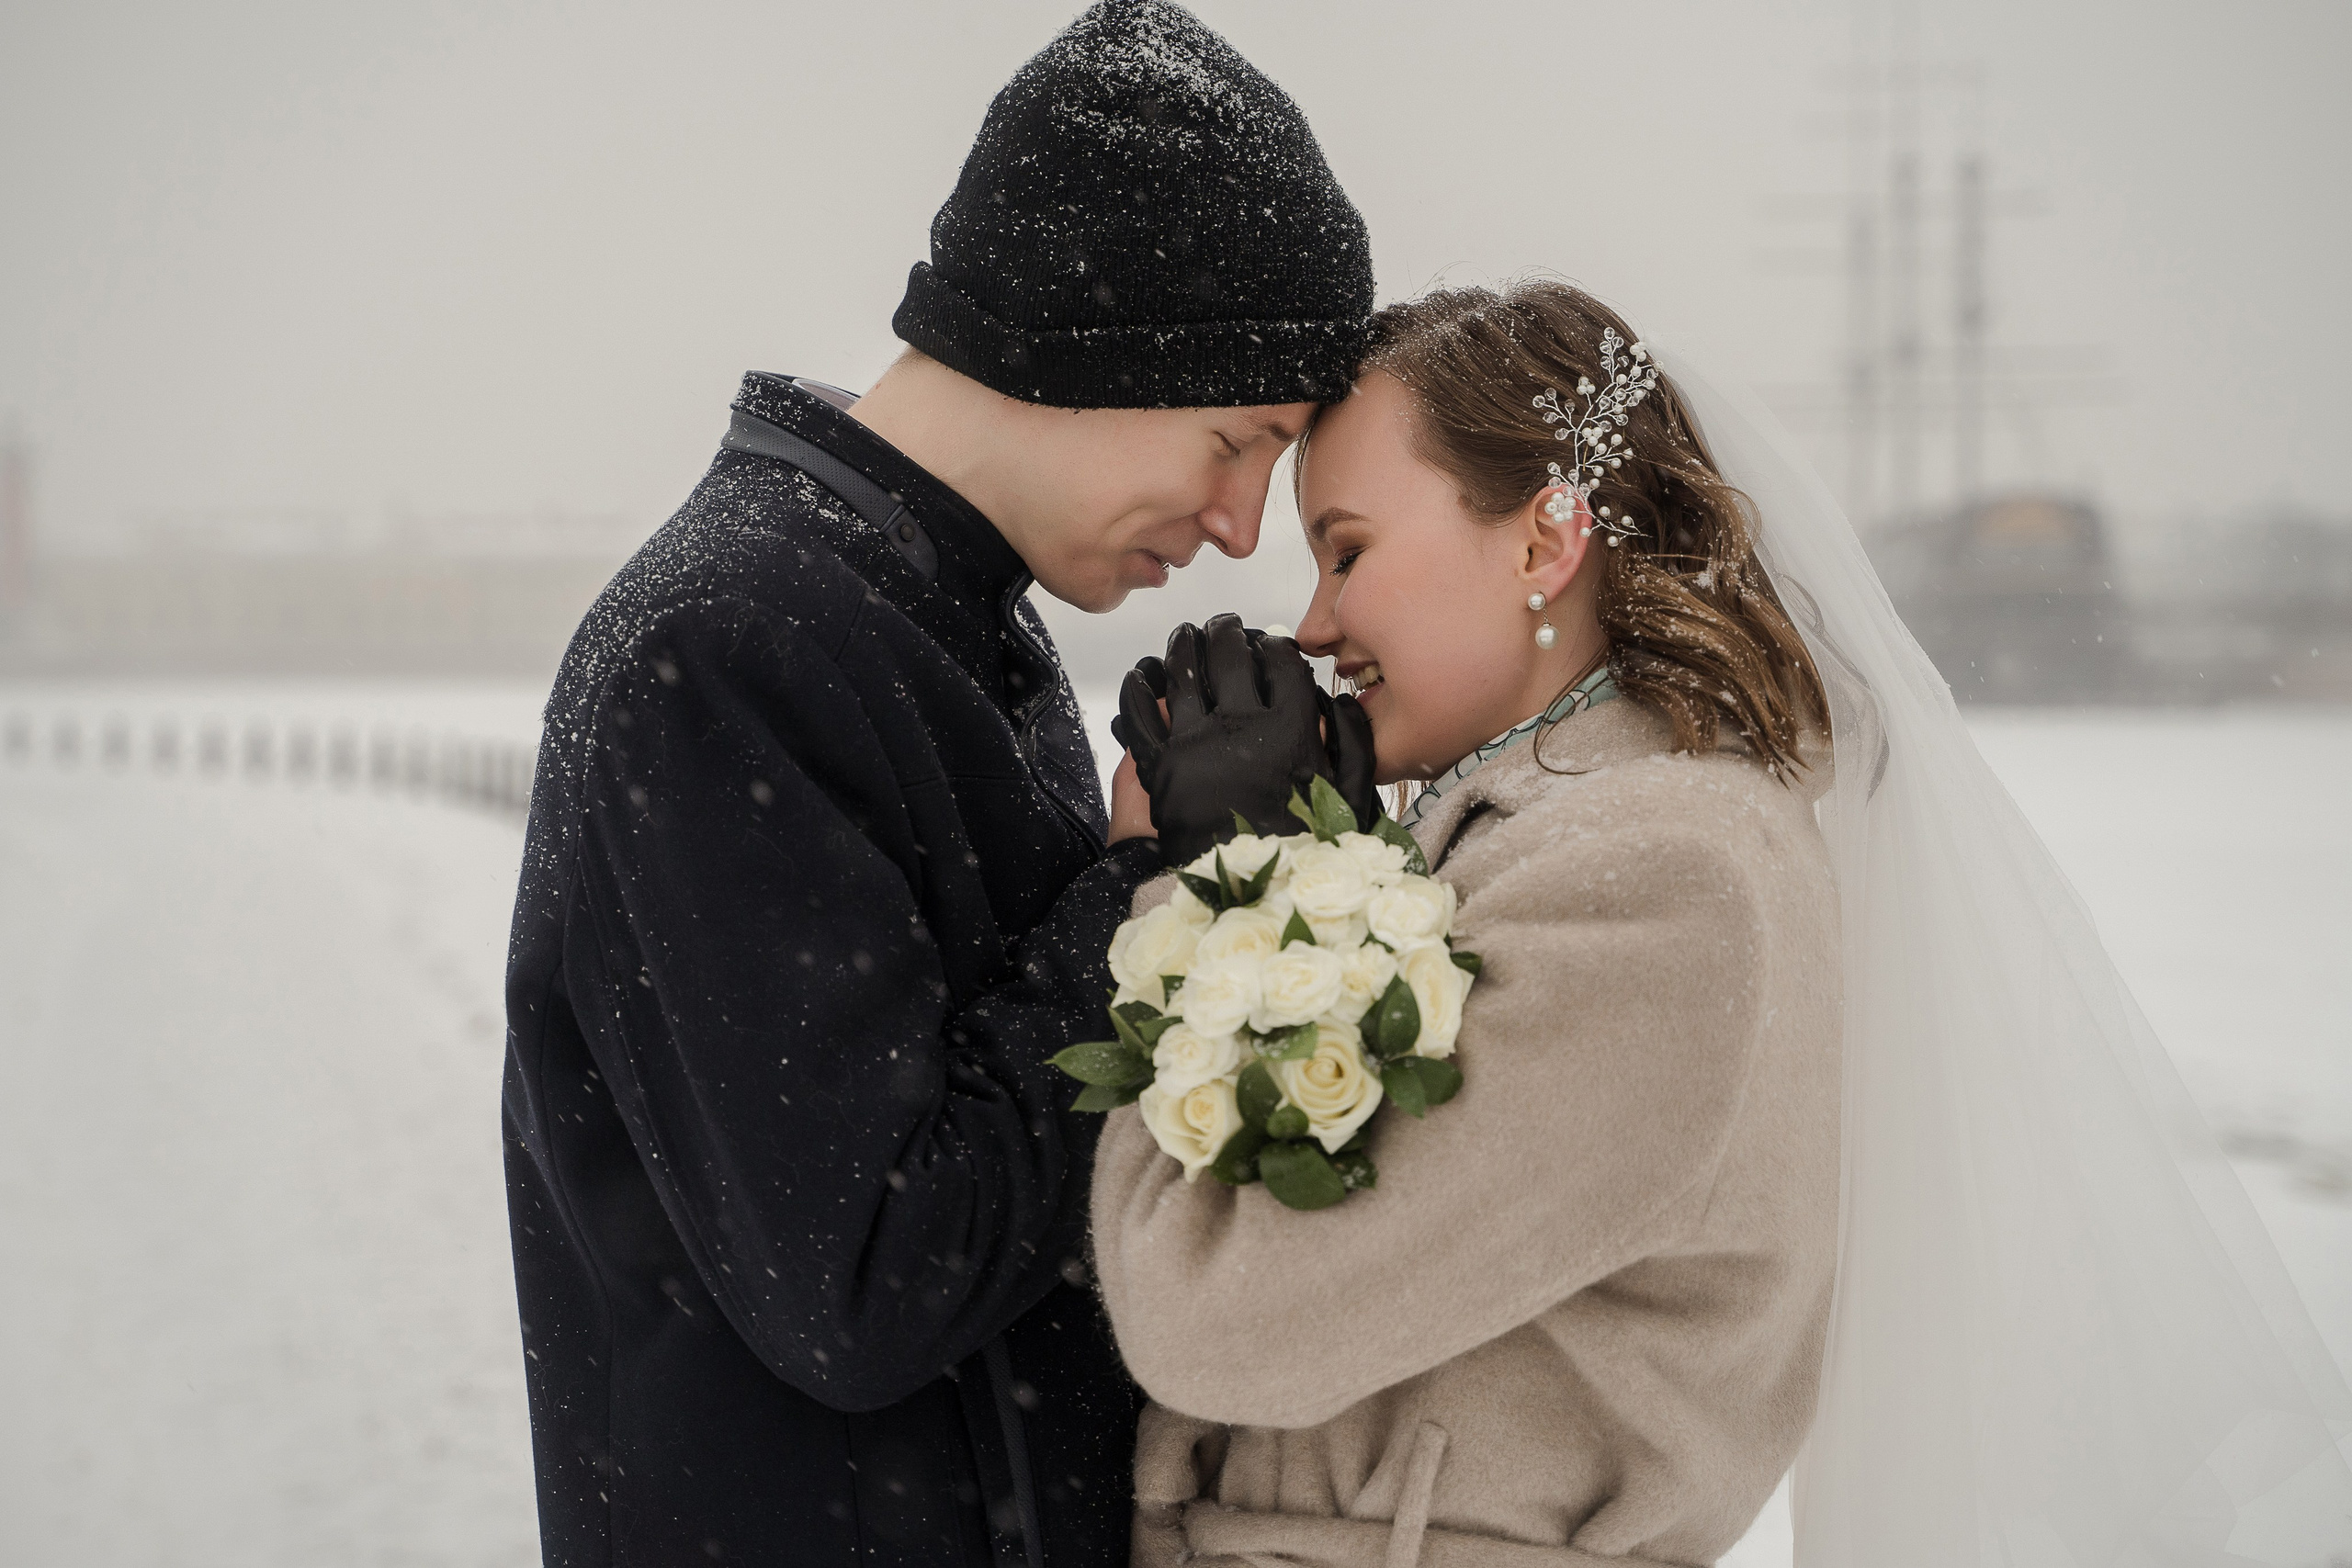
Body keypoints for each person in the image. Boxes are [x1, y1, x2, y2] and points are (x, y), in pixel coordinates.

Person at [1094, 278, 2352, 1565]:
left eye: (1349, 550)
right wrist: (1309, 871)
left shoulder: (1664, 884)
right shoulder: (1554, 842)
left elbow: (1219, 1319)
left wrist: (1212, 882)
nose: (1312, 624)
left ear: (1544, 541)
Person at [497, 5, 1373, 1565]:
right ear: (1104, 338)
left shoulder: (927, 619)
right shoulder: (721, 655)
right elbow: (865, 1277)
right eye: (1242, 440)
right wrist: (1141, 899)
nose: (1246, 527)